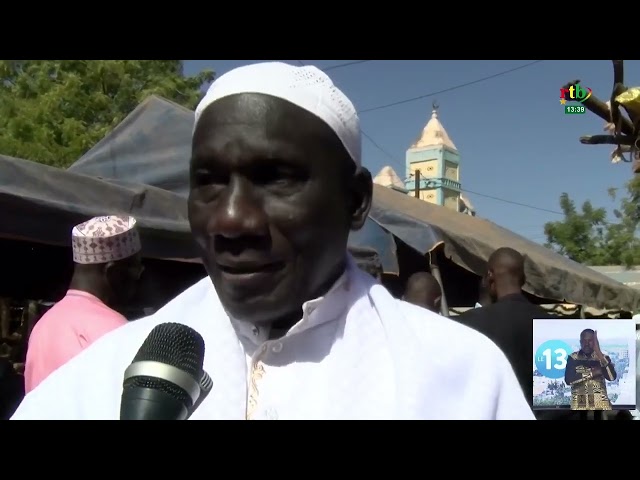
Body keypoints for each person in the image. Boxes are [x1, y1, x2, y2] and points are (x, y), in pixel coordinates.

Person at [11, 62, 534, 420]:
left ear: (355, 202)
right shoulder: (110, 372)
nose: (232, 220)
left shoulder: (460, 375)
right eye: (209, 181)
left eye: (275, 177)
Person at [23, 215, 144, 393]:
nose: (138, 279)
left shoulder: (43, 326)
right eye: (137, 269)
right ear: (115, 273)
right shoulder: (112, 329)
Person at [454, 247, 554, 408]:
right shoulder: (556, 326)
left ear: (489, 276)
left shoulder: (466, 325)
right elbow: (569, 408)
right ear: (523, 279)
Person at [564, 329, 616, 411]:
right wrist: (593, 373)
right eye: (584, 341)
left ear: (595, 342)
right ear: (580, 342)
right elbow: (569, 380)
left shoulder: (603, 358)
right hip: (579, 407)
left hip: (601, 407)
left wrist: (599, 354)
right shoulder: (573, 358)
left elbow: (612, 377)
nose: (587, 344)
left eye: (590, 341)